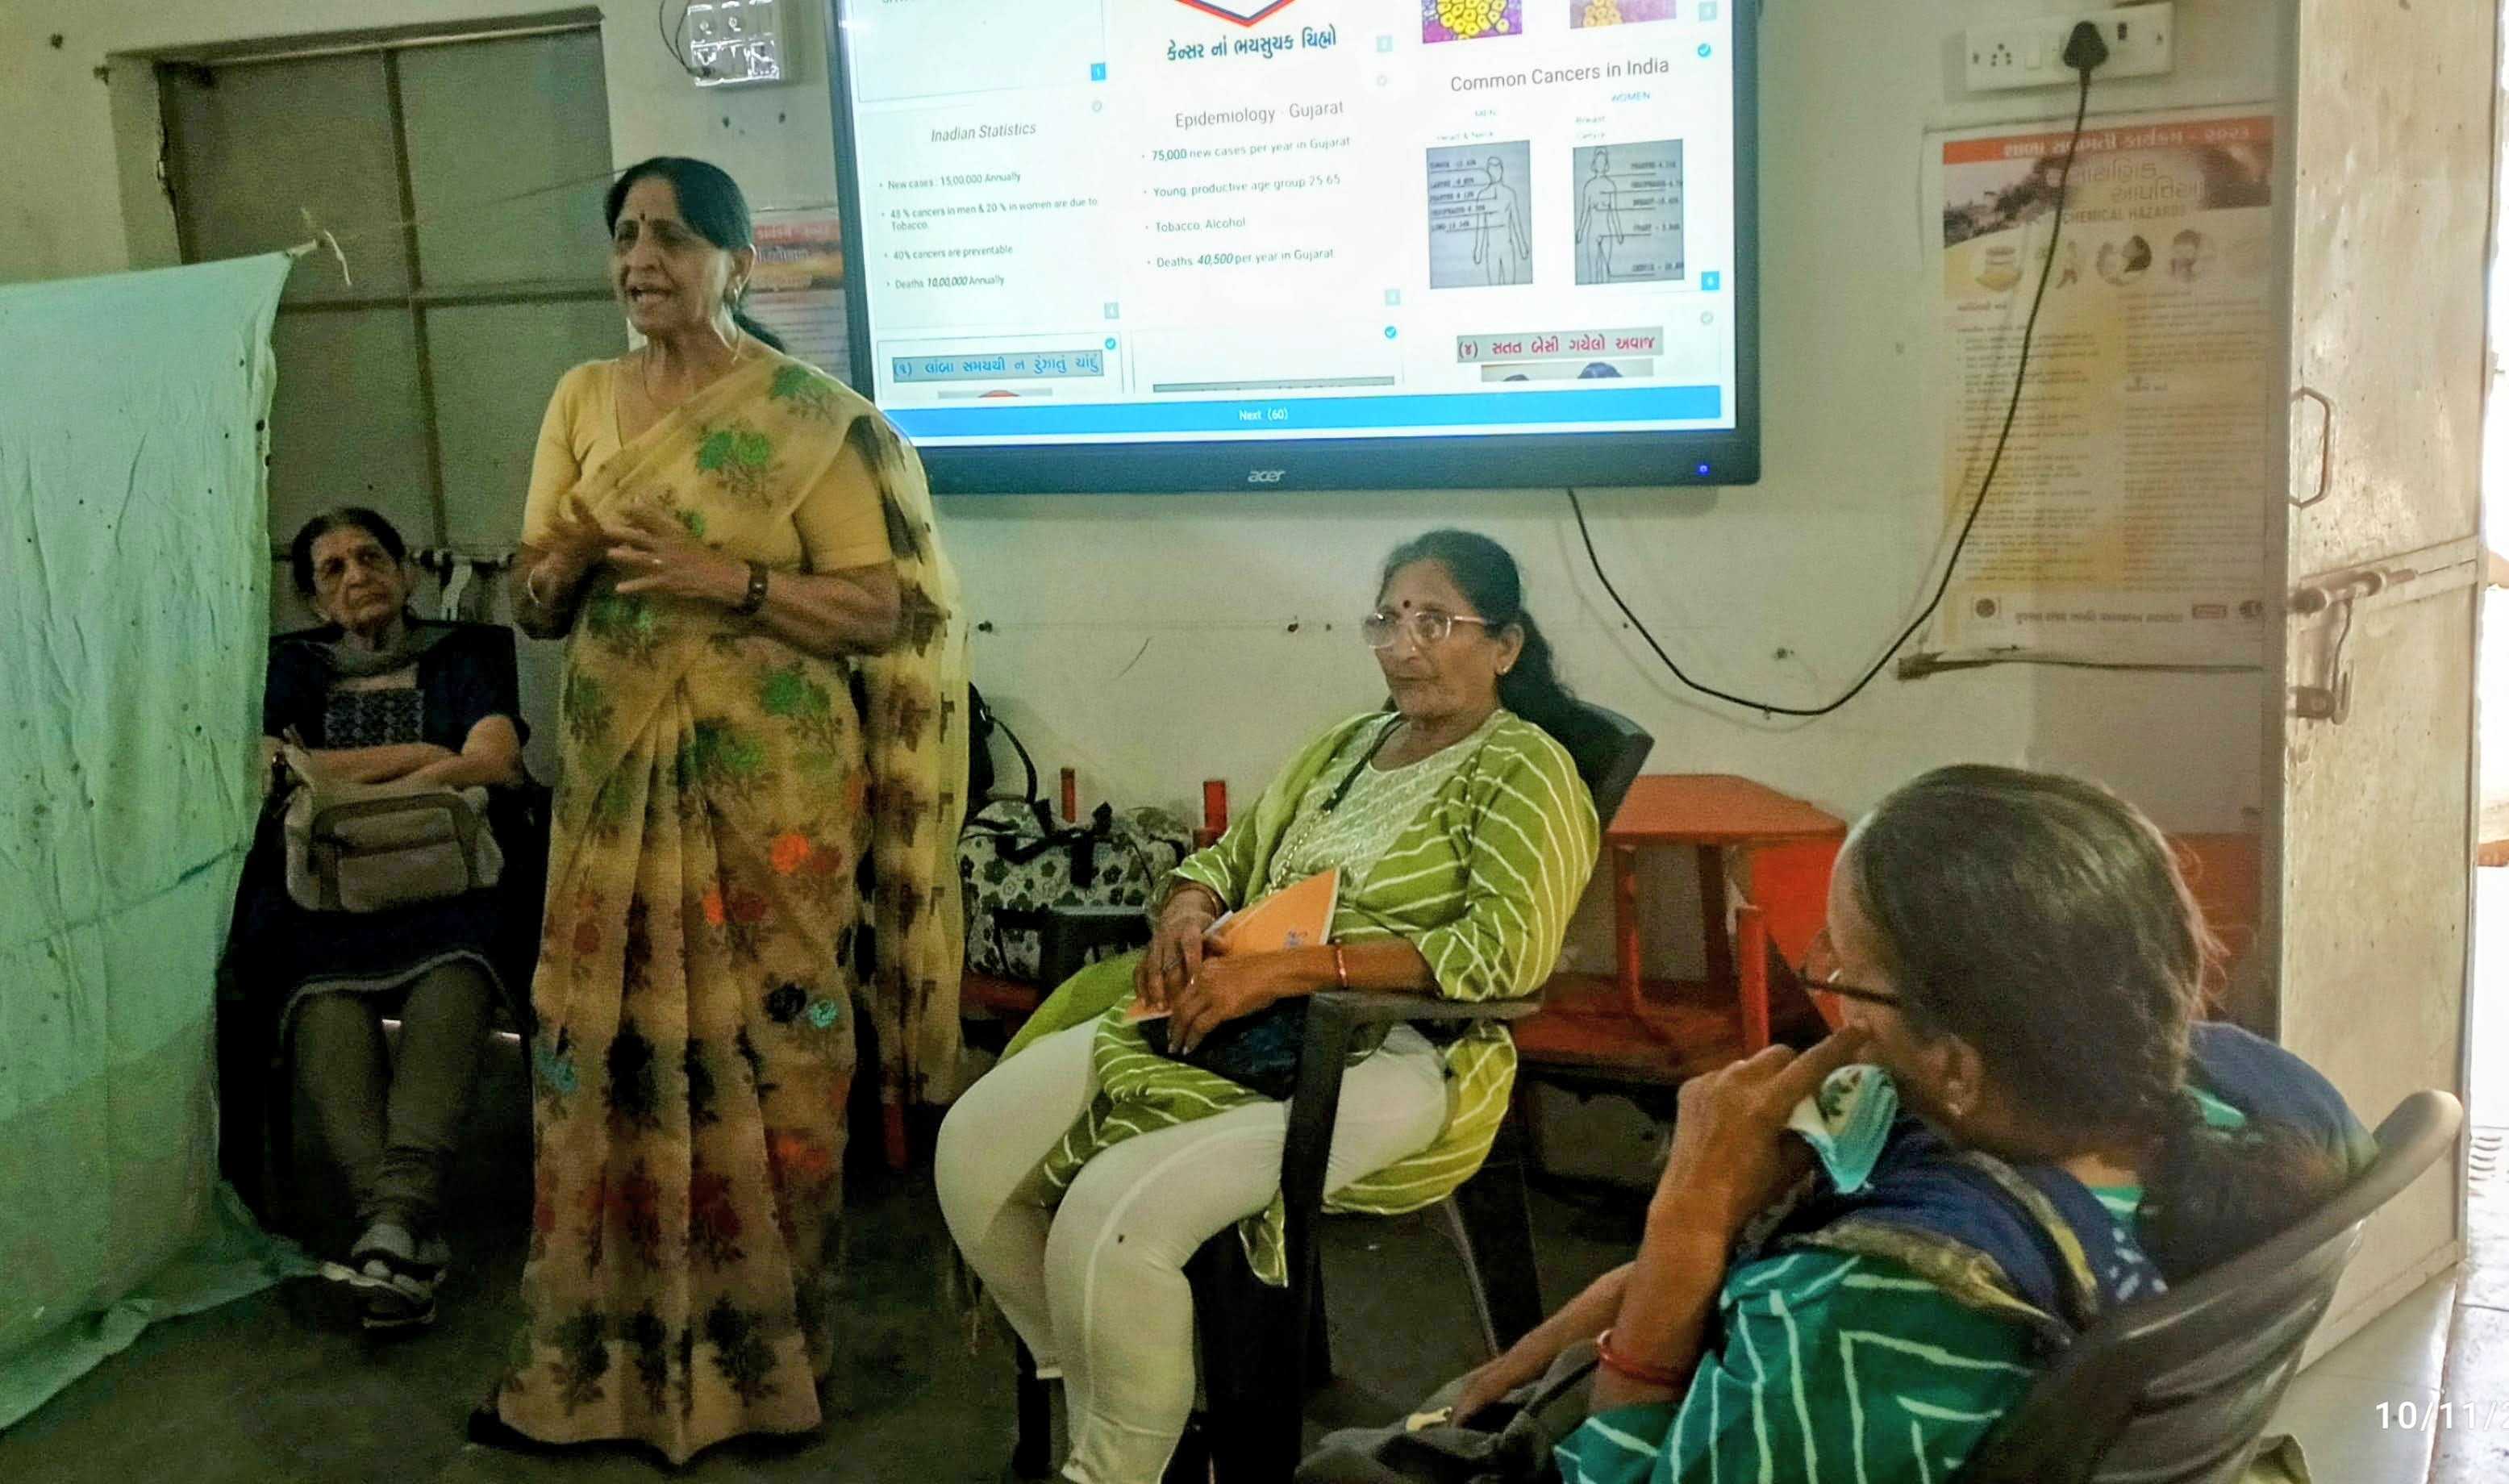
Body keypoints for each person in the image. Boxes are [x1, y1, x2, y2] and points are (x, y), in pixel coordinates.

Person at [1307, 766, 2365, 1484]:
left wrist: (1681, 1224)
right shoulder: (2276, 1098)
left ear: (1952, 1057)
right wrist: (1488, 1385)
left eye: (1844, 968)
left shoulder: (1884, 1302)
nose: (1830, 995)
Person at [937, 530, 1603, 1483]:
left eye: (1437, 621)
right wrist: (1187, 908)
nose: (1404, 644)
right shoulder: (1349, 746)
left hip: (1396, 1052)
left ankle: (1112, 1465)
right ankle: (1120, 1414)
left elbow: (1503, 955)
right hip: (1236, 1017)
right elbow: (1230, 858)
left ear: (1505, 645)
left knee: (1112, 1218)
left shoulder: (1525, 770)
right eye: (1389, 618)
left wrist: (1296, 973)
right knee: (975, 1148)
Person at [483, 156, 967, 1463]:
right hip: (613, 789)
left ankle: (763, 1372)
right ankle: (600, 1378)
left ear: (738, 263)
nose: (643, 258)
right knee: (604, 1065)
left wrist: (730, 581)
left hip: (773, 797)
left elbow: (882, 609)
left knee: (772, 1061)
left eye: (675, 238)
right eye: (625, 236)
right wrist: (566, 559)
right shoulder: (582, 400)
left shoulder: (812, 417)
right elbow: (530, 603)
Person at [229, 507, 533, 1329]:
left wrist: (337, 777)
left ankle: (391, 1226)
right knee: (321, 995)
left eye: (370, 557)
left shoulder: (465, 655)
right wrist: (428, 761)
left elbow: (496, 759)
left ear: (405, 572)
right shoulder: (291, 667)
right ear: (316, 599)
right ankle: (398, 1223)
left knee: (459, 971)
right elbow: (275, 769)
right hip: (329, 891)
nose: (355, 576)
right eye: (331, 569)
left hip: (449, 884)